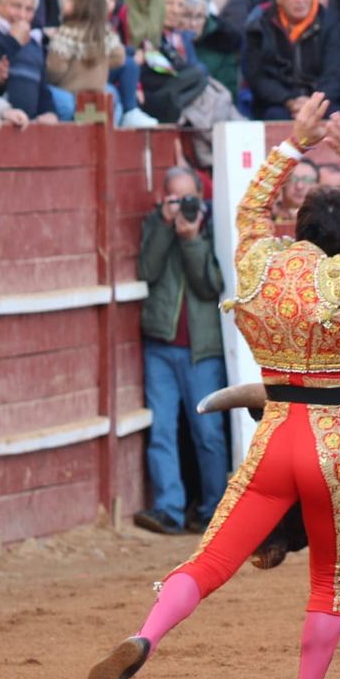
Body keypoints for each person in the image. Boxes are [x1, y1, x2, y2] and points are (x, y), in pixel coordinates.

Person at [87, 96, 340, 679]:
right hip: (333, 445)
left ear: (295, 229)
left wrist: (291, 144)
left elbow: (246, 210)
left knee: (213, 558)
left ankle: (145, 633)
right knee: (330, 576)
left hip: (273, 437)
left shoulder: (258, 264)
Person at [131, 164, 230, 537]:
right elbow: (147, 270)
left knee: (208, 433)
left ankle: (213, 510)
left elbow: (210, 286)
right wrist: (164, 225)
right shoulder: (155, 225)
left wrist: (190, 240)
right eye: (176, 198)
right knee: (162, 429)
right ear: (164, 198)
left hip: (202, 349)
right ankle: (169, 508)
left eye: (190, 198)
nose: (185, 205)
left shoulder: (213, 227)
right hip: (161, 344)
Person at [243, 0, 340, 117]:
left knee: (338, 118)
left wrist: (311, 103)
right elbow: (257, 76)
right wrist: (289, 100)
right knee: (274, 116)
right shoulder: (260, 25)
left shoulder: (329, 22)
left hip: (320, 101)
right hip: (278, 103)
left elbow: (335, 74)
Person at [47, 0, 128, 111]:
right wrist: (99, 61)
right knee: (96, 123)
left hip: (70, 95)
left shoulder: (66, 33)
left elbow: (56, 70)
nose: (63, 2)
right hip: (95, 97)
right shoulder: (105, 33)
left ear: (80, 5)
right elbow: (119, 57)